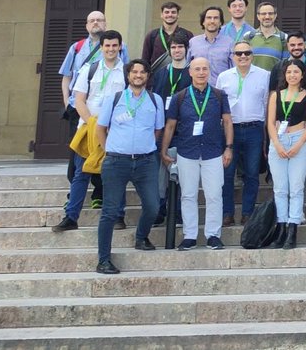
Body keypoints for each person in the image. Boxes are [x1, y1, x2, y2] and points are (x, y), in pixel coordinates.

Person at [53, 29, 129, 233]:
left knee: (115, 175)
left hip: (115, 132)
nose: (111, 49)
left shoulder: (126, 72)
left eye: (115, 45)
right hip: (87, 129)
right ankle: (71, 217)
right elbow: (79, 100)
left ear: (120, 46)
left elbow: (128, 101)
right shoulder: (89, 69)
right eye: (107, 45)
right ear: (102, 47)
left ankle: (118, 216)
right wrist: (93, 124)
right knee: (80, 174)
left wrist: (108, 127)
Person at [93, 59, 164, 274]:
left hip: (145, 162)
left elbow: (157, 130)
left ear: (147, 76)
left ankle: (141, 237)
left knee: (153, 206)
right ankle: (103, 259)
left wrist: (145, 146)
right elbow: (100, 128)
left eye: (142, 72)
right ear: (128, 75)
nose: (138, 75)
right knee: (110, 212)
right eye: (134, 72)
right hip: (117, 162)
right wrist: (110, 149)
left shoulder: (155, 100)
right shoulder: (114, 99)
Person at [161, 57, 233, 251]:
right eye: (197, 69)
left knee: (214, 195)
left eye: (205, 69)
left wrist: (228, 147)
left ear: (209, 71)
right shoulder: (180, 97)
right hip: (187, 151)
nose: (201, 72)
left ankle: (213, 235)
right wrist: (164, 150)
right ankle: (190, 236)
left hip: (213, 152)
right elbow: (170, 125)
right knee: (188, 195)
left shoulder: (219, 95)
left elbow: (227, 122)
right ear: (190, 72)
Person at [215, 40, 271, 226]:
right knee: (227, 173)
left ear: (252, 55)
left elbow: (266, 104)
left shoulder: (264, 75)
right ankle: (227, 213)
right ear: (233, 56)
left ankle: (247, 212)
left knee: (252, 173)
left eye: (247, 53)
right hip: (230, 130)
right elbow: (220, 106)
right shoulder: (224, 77)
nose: (243, 56)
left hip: (255, 129)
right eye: (239, 53)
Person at [265, 58, 306, 250]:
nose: (292, 75)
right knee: (280, 188)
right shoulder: (275, 95)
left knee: (296, 187)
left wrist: (299, 144)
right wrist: (276, 144)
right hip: (278, 141)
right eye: (289, 72)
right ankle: (281, 227)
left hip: (298, 140)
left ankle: (293, 227)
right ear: (284, 75)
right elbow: (270, 122)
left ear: (302, 75)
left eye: (296, 72)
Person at [148, 31, 190, 224]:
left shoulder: (192, 72)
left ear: (186, 49)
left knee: (183, 170)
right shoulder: (160, 73)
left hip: (185, 129)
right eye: (173, 47)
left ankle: (180, 211)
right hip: (163, 128)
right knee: (160, 170)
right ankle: (160, 208)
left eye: (180, 47)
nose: (177, 50)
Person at [141, 1, 193, 70]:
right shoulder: (152, 35)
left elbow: (191, 58)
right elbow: (145, 60)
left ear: (178, 15)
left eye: (173, 12)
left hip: (181, 75)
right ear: (161, 15)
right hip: (157, 77)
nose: (170, 15)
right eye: (167, 12)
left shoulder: (187, 35)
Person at [188, 6, 233, 86]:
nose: (212, 21)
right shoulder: (193, 43)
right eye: (209, 18)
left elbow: (234, 70)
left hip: (221, 91)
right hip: (197, 91)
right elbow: (187, 67)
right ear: (203, 22)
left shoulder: (230, 43)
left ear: (220, 22)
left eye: (216, 18)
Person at [243, 2, 288, 72]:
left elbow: (285, 66)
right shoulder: (248, 36)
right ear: (258, 16)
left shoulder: (284, 38)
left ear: (275, 15)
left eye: (270, 13)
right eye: (263, 14)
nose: (267, 17)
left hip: (273, 82)